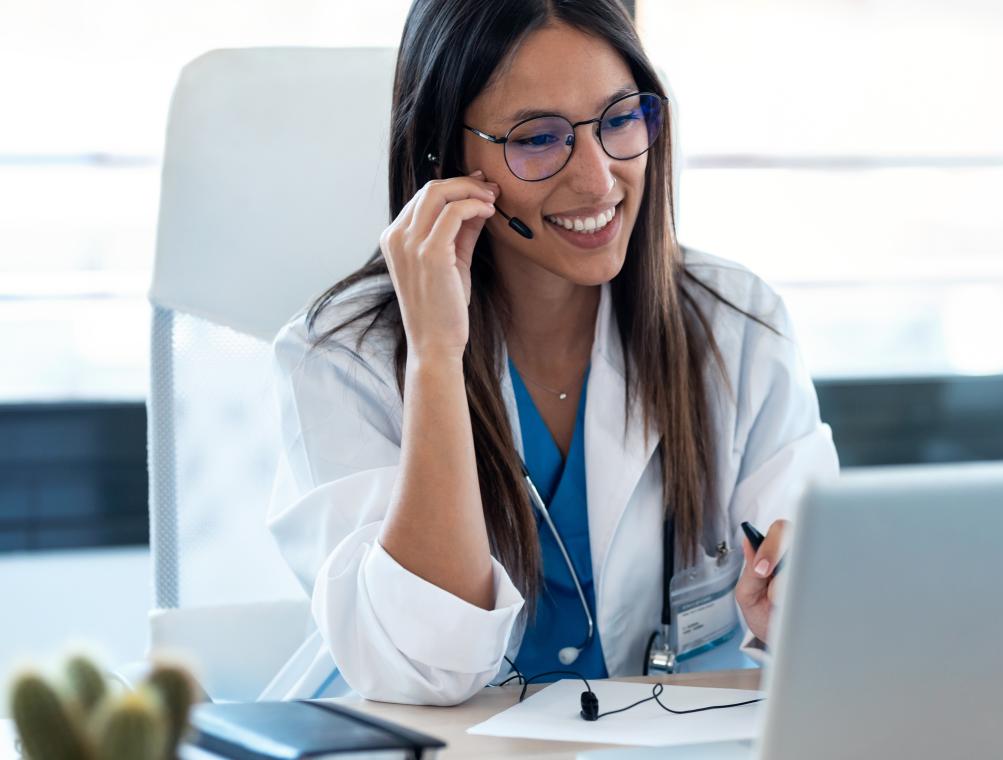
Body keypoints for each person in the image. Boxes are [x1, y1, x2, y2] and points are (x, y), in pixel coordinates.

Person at [261, 0, 839, 706]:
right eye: (538, 137)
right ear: (446, 155)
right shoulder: (342, 359)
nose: (598, 180)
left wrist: (799, 611)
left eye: (621, 120)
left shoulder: (737, 327)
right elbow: (425, 667)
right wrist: (437, 356)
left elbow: (828, 602)